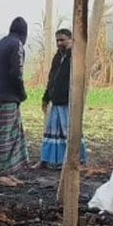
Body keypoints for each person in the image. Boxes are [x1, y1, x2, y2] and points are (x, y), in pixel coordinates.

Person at [0, 17, 30, 174]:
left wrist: (0, 79)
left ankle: (8, 168)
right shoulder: (17, 45)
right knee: (6, 136)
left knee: (5, 132)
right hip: (9, 97)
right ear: (24, 34)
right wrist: (20, 92)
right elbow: (17, 72)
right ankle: (3, 170)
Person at [39, 28, 87, 169]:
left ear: (70, 40)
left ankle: (79, 161)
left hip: (68, 103)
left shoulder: (74, 57)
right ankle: (48, 160)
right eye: (57, 40)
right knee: (52, 133)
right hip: (56, 102)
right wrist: (46, 97)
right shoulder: (57, 57)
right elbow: (51, 79)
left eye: (62, 40)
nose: (59, 43)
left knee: (70, 133)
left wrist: (71, 50)